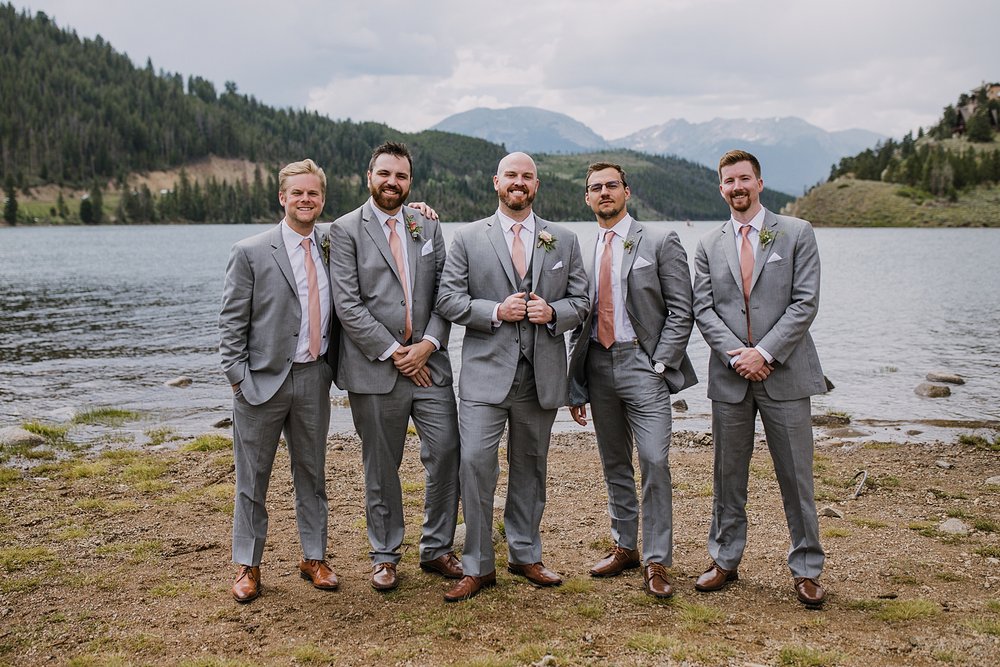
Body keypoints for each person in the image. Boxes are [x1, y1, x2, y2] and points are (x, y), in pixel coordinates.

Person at [435, 151, 589, 602]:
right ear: (496, 183)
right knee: (476, 465)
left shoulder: (563, 239)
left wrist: (554, 312)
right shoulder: (467, 238)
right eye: (511, 176)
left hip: (541, 377)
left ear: (536, 185)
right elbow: (448, 298)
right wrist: (494, 311)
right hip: (485, 378)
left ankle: (525, 554)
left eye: (527, 176)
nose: (518, 183)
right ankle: (477, 565)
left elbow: (582, 300)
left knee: (531, 468)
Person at [692, 149, 828, 606]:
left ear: (760, 183)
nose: (737, 187)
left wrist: (765, 352)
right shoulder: (708, 244)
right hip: (731, 377)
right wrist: (738, 357)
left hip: (784, 374)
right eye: (729, 181)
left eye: (744, 179)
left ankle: (807, 567)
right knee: (728, 475)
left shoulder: (796, 233)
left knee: (796, 476)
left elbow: (804, 302)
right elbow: (703, 309)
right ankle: (725, 560)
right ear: (720, 188)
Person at [327, 141, 461, 592]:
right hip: (376, 367)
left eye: (401, 176)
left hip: (430, 365)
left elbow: (446, 292)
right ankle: (384, 554)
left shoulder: (428, 226)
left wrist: (428, 343)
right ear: (370, 177)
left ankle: (437, 547)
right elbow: (347, 304)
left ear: (410, 182)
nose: (393, 182)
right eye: (385, 174)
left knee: (446, 452)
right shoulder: (343, 230)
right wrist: (395, 352)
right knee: (381, 464)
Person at [567, 162, 697, 598]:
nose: (604, 193)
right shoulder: (581, 251)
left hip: (644, 365)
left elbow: (683, 309)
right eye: (595, 188)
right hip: (598, 366)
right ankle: (626, 546)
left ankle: (658, 559)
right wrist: (575, 381)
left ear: (627, 191)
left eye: (611, 186)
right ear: (587, 197)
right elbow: (578, 319)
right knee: (615, 462)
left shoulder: (659, 240)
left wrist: (661, 363)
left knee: (655, 460)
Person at [219, 158, 340, 603]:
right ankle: (248, 566)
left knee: (312, 473)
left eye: (313, 193)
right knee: (253, 479)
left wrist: (418, 209)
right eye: (297, 193)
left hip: (314, 377)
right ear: (282, 198)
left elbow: (379, 223)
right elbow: (231, 323)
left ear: (322, 199)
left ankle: (314, 557)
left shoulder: (333, 243)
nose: (305, 200)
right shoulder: (250, 251)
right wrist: (238, 380)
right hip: (260, 383)